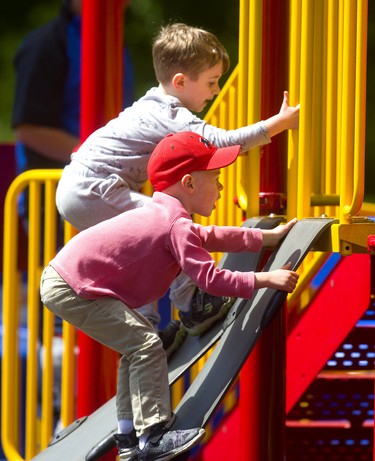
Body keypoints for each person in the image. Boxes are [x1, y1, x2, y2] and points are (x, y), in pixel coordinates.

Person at [40, 131, 299, 460]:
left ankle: (128, 438)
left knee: (136, 347)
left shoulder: (166, 215)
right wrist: (266, 278)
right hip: (72, 286)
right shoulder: (173, 224)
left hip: (68, 279)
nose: (221, 187)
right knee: (146, 345)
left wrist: (264, 238)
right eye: (216, 178)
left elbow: (208, 236)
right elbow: (210, 279)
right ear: (189, 184)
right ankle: (153, 435)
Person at [55, 22, 300, 337]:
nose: (216, 91)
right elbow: (220, 141)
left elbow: (199, 153)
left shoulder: (153, 105)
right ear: (181, 81)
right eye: (212, 82)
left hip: (82, 187)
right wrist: (277, 124)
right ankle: (193, 304)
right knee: (167, 228)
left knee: (141, 252)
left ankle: (148, 331)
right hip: (94, 188)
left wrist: (245, 150)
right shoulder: (169, 113)